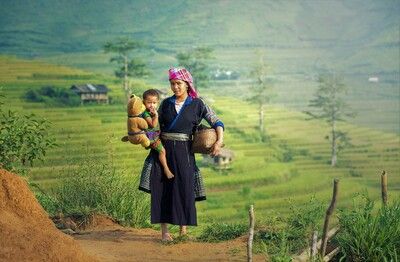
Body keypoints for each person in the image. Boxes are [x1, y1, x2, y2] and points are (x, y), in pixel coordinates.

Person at [146, 67, 224, 241]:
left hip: (185, 152)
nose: (175, 87)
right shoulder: (165, 104)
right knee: (162, 188)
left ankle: (183, 231)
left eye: (179, 83)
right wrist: (151, 141)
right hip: (163, 150)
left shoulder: (198, 104)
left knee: (185, 188)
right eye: (172, 84)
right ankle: (165, 232)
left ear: (188, 84)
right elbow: (154, 127)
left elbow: (217, 122)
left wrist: (218, 142)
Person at [142, 89, 174, 179]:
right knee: (162, 151)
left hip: (156, 135)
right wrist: (156, 115)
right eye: (149, 102)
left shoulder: (151, 112)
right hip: (151, 137)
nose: (152, 105)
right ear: (144, 102)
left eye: (154, 103)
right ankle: (166, 169)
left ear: (158, 102)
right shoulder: (145, 114)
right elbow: (153, 125)